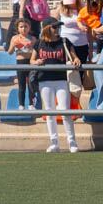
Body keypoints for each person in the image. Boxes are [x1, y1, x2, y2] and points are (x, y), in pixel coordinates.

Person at [31, 20, 79, 153]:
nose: (57, 29)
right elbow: (32, 60)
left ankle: (72, 141)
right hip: (44, 80)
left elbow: (74, 56)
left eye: (58, 26)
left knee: (65, 111)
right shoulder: (39, 43)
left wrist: (76, 60)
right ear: (47, 28)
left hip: (61, 80)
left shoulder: (64, 41)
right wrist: (37, 62)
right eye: (54, 27)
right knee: (50, 112)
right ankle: (54, 142)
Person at [56, 0, 91, 65]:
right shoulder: (60, 8)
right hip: (66, 45)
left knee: (80, 71)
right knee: (68, 72)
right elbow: (53, 23)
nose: (69, 4)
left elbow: (90, 26)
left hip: (81, 44)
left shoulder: (84, 8)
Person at [7, 20, 36, 111]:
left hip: (30, 62)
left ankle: (31, 104)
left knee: (31, 84)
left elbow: (36, 52)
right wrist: (14, 45)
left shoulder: (33, 39)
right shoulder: (14, 38)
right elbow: (10, 52)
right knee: (21, 85)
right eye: (21, 27)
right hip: (20, 63)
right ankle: (21, 105)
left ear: (29, 27)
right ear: (18, 28)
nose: (23, 29)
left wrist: (30, 47)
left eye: (26, 26)